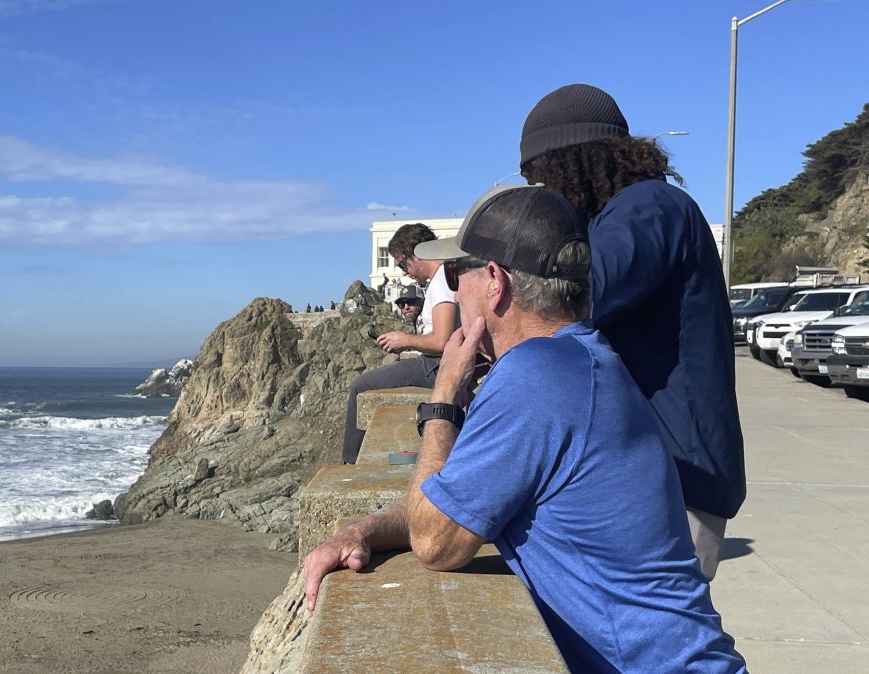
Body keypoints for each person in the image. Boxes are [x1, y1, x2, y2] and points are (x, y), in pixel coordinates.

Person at [304, 185, 747, 673]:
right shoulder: (584, 359)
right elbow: (453, 498)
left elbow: (436, 543)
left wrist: (445, 397)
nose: (452, 290)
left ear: (494, 280)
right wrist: (364, 529)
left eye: (455, 273)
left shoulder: (536, 377)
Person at [518, 83, 745, 580]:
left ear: (571, 162)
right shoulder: (628, 213)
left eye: (541, 177)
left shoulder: (648, 207)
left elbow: (582, 294)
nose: (543, 195)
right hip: (663, 470)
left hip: (682, 476)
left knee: (658, 644)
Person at [341, 223, 457, 464]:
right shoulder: (445, 277)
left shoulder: (442, 281)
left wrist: (405, 341)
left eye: (403, 264)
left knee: (360, 387)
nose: (405, 272)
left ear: (418, 254)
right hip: (437, 362)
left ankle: (350, 464)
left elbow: (444, 340)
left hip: (437, 365)